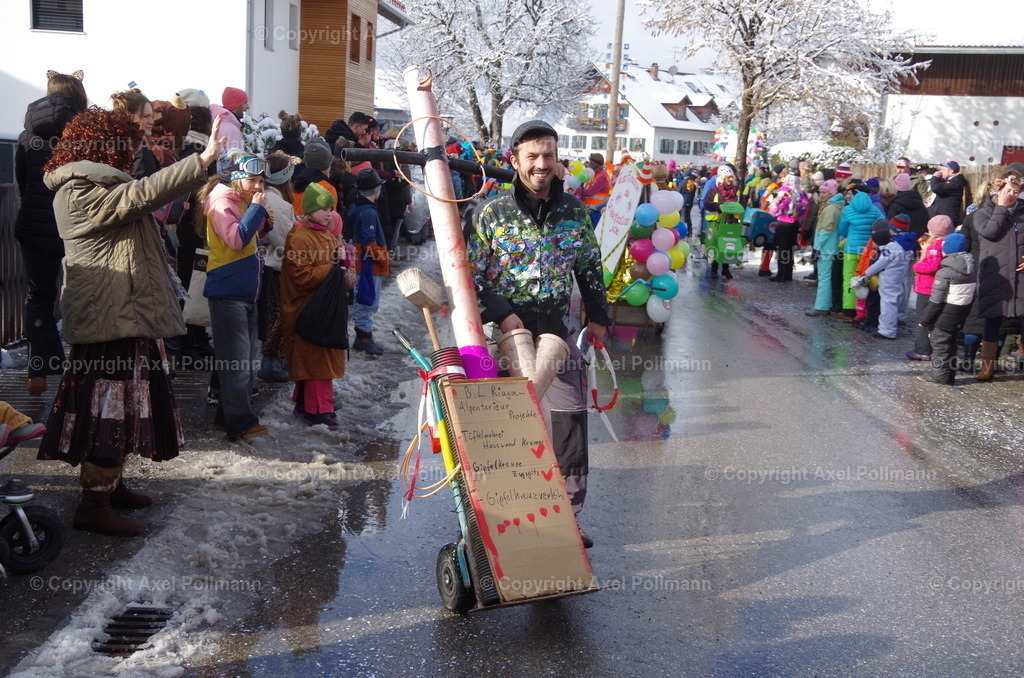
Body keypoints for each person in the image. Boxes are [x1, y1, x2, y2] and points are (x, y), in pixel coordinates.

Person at [37, 107, 223, 536]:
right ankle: (93, 503)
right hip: (108, 319)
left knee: (127, 408)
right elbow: (138, 197)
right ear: (103, 146)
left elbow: (140, 198)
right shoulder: (76, 191)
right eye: (127, 144)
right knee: (108, 410)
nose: (132, 152)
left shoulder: (101, 186)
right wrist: (202, 159)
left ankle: (112, 485)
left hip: (126, 313)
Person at [468, 120, 611, 548]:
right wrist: (502, 314)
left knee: (569, 423)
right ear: (515, 160)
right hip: (504, 336)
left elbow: (589, 267)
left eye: (548, 155)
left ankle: (567, 515)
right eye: (532, 156)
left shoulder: (574, 212)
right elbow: (471, 275)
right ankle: (503, 516)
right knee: (507, 427)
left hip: (557, 333)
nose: (541, 164)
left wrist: (598, 316)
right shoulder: (490, 213)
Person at [15, 70, 87, 397]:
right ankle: (83, 368)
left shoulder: (26, 136)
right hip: (77, 227)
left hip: (35, 227)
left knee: (38, 296)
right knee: (84, 295)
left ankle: (39, 371)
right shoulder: (84, 134)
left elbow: (22, 182)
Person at [202, 152, 274, 440]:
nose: (258, 186)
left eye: (261, 181)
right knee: (237, 363)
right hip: (228, 289)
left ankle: (226, 416)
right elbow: (236, 239)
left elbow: (250, 237)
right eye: (252, 180)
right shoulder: (222, 201)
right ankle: (241, 423)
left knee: (243, 359)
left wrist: (262, 219)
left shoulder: (243, 200)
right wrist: (256, 211)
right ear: (236, 178)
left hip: (246, 290)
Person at [280, 182, 350, 429]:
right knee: (315, 358)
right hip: (306, 309)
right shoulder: (298, 236)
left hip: (324, 308)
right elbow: (301, 276)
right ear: (309, 210)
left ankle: (305, 405)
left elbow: (338, 266)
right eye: (324, 209)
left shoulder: (326, 233)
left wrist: (343, 261)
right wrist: (333, 265)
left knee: (318, 357)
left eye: (331, 209)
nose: (330, 213)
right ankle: (318, 409)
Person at [972, 170, 1024, 380]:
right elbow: (990, 232)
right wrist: (1001, 207)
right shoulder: (982, 213)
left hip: (1021, 276)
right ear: (998, 190)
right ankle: (988, 365)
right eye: (1008, 191)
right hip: (996, 274)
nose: (1012, 195)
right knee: (993, 318)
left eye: (1016, 191)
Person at [258, 151, 298, 383]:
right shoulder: (279, 205)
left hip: (266, 265)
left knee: (273, 315)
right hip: (278, 267)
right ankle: (270, 363)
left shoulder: (264, 197)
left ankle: (276, 361)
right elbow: (284, 242)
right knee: (280, 316)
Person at [917, 233, 976, 385]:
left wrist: (925, 320)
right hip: (960, 312)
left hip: (944, 315)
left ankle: (940, 375)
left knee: (940, 344)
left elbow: (936, 301)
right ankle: (949, 374)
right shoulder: (971, 268)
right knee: (952, 343)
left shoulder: (945, 273)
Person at [349, 168, 390, 355]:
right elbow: (369, 243)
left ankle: (364, 336)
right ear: (376, 190)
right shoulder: (368, 213)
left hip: (362, 262)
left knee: (364, 300)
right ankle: (363, 338)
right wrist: (383, 261)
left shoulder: (357, 207)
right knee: (367, 301)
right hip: (368, 264)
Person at [907, 215, 953, 361]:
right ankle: (933, 348)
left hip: (927, 287)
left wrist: (917, 266)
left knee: (923, 319)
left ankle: (922, 350)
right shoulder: (947, 243)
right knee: (934, 319)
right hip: (937, 287)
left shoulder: (935, 246)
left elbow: (933, 265)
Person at [863, 215, 917, 339]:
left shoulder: (893, 246)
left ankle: (887, 330)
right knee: (894, 301)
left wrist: (868, 272)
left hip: (889, 277)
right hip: (899, 276)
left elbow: (882, 262)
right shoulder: (907, 243)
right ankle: (890, 326)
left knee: (887, 303)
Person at [836, 189, 884, 321]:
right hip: (868, 250)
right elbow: (882, 225)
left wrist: (851, 236)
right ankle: (863, 310)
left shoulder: (848, 210)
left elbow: (842, 229)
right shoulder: (874, 210)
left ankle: (849, 309)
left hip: (851, 249)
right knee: (865, 279)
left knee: (849, 279)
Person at [805, 180, 843, 316]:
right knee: (826, 276)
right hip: (829, 246)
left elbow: (825, 230)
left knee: (824, 277)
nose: (821, 195)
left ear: (831, 193)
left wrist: (817, 247)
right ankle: (826, 304)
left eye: (824, 192)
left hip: (826, 248)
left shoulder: (830, 208)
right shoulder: (833, 206)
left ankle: (821, 307)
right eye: (820, 192)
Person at [703, 165, 740, 279]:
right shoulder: (714, 190)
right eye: (728, 177)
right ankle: (714, 269)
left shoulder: (736, 190)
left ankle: (725, 269)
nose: (730, 180)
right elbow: (706, 203)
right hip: (717, 222)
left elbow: (742, 202)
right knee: (716, 244)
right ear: (722, 178)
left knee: (728, 245)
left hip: (731, 222)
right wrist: (718, 206)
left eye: (731, 177)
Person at [929, 160, 969, 225]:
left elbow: (936, 188)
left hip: (948, 219)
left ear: (951, 171)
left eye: (943, 170)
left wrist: (935, 177)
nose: (940, 172)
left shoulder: (956, 182)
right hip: (940, 217)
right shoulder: (946, 180)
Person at [209, 86, 248, 152]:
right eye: (245, 103)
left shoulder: (214, 124)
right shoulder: (231, 129)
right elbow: (236, 157)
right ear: (237, 104)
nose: (248, 107)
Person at [579, 152, 611, 228]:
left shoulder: (602, 176)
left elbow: (590, 192)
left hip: (597, 211)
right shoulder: (592, 174)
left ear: (594, 164)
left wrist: (577, 189)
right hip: (590, 210)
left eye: (590, 162)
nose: (588, 164)